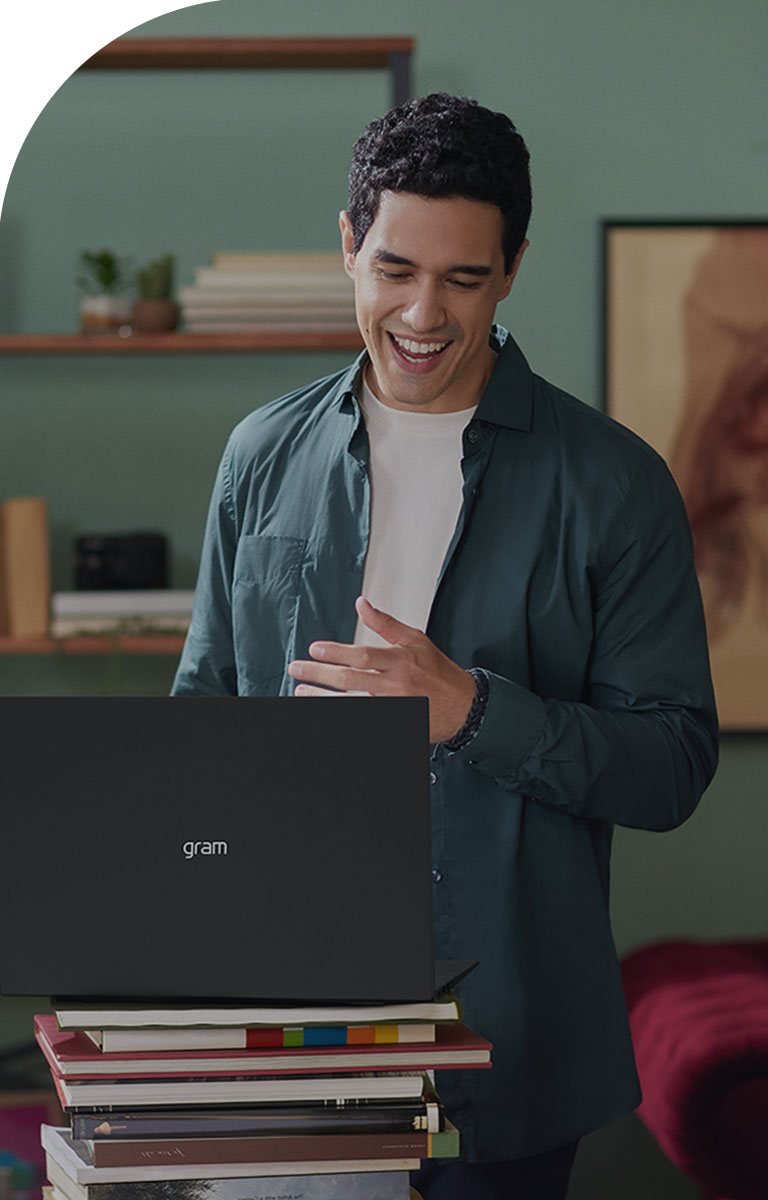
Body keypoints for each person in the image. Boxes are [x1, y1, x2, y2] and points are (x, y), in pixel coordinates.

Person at [172, 94, 719, 1199]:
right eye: (394, 269)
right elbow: (206, 715)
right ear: (347, 244)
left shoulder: (614, 485)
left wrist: (473, 711)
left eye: (464, 279)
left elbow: (670, 765)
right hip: (286, 1007)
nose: (423, 313)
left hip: (507, 1033)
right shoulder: (260, 455)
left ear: (512, 265)